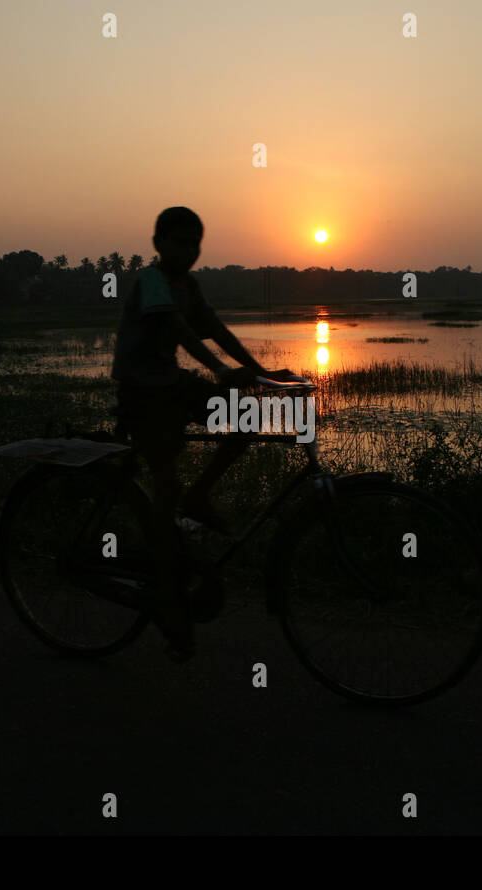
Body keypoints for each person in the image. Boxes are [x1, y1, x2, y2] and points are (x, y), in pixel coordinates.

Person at [111, 206, 294, 661]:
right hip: (141, 392)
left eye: (195, 242)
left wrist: (261, 372)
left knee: (246, 416)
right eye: (178, 241)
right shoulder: (153, 282)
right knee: (165, 484)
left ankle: (200, 497)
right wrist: (216, 370)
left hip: (170, 384)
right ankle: (167, 593)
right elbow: (177, 327)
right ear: (158, 243)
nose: (187, 251)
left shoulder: (188, 285)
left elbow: (214, 329)